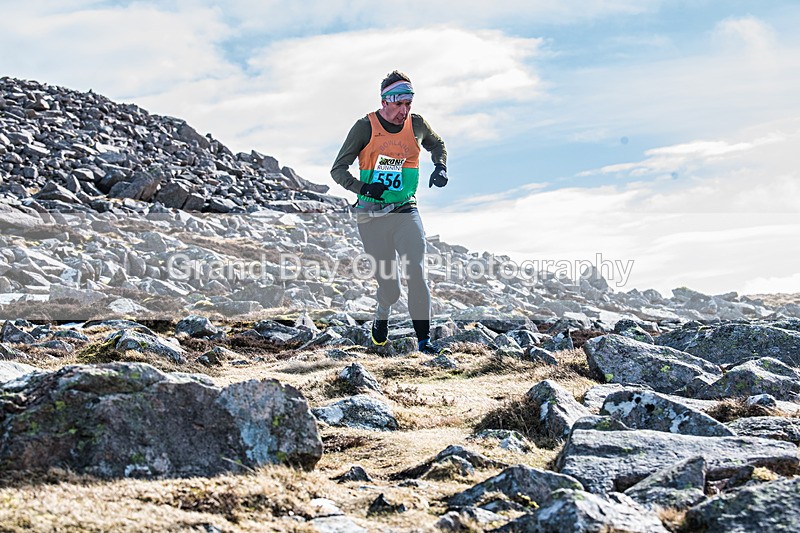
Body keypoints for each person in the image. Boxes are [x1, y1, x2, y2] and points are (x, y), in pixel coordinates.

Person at [331, 70, 449, 355]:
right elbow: (337, 170)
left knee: (417, 273)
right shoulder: (364, 127)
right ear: (385, 101)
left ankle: (424, 342)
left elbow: (437, 145)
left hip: (406, 209)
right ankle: (382, 311)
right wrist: (363, 188)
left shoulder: (416, 125)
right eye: (399, 105)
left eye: (409, 104)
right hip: (371, 217)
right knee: (391, 288)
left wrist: (441, 166)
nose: (404, 111)